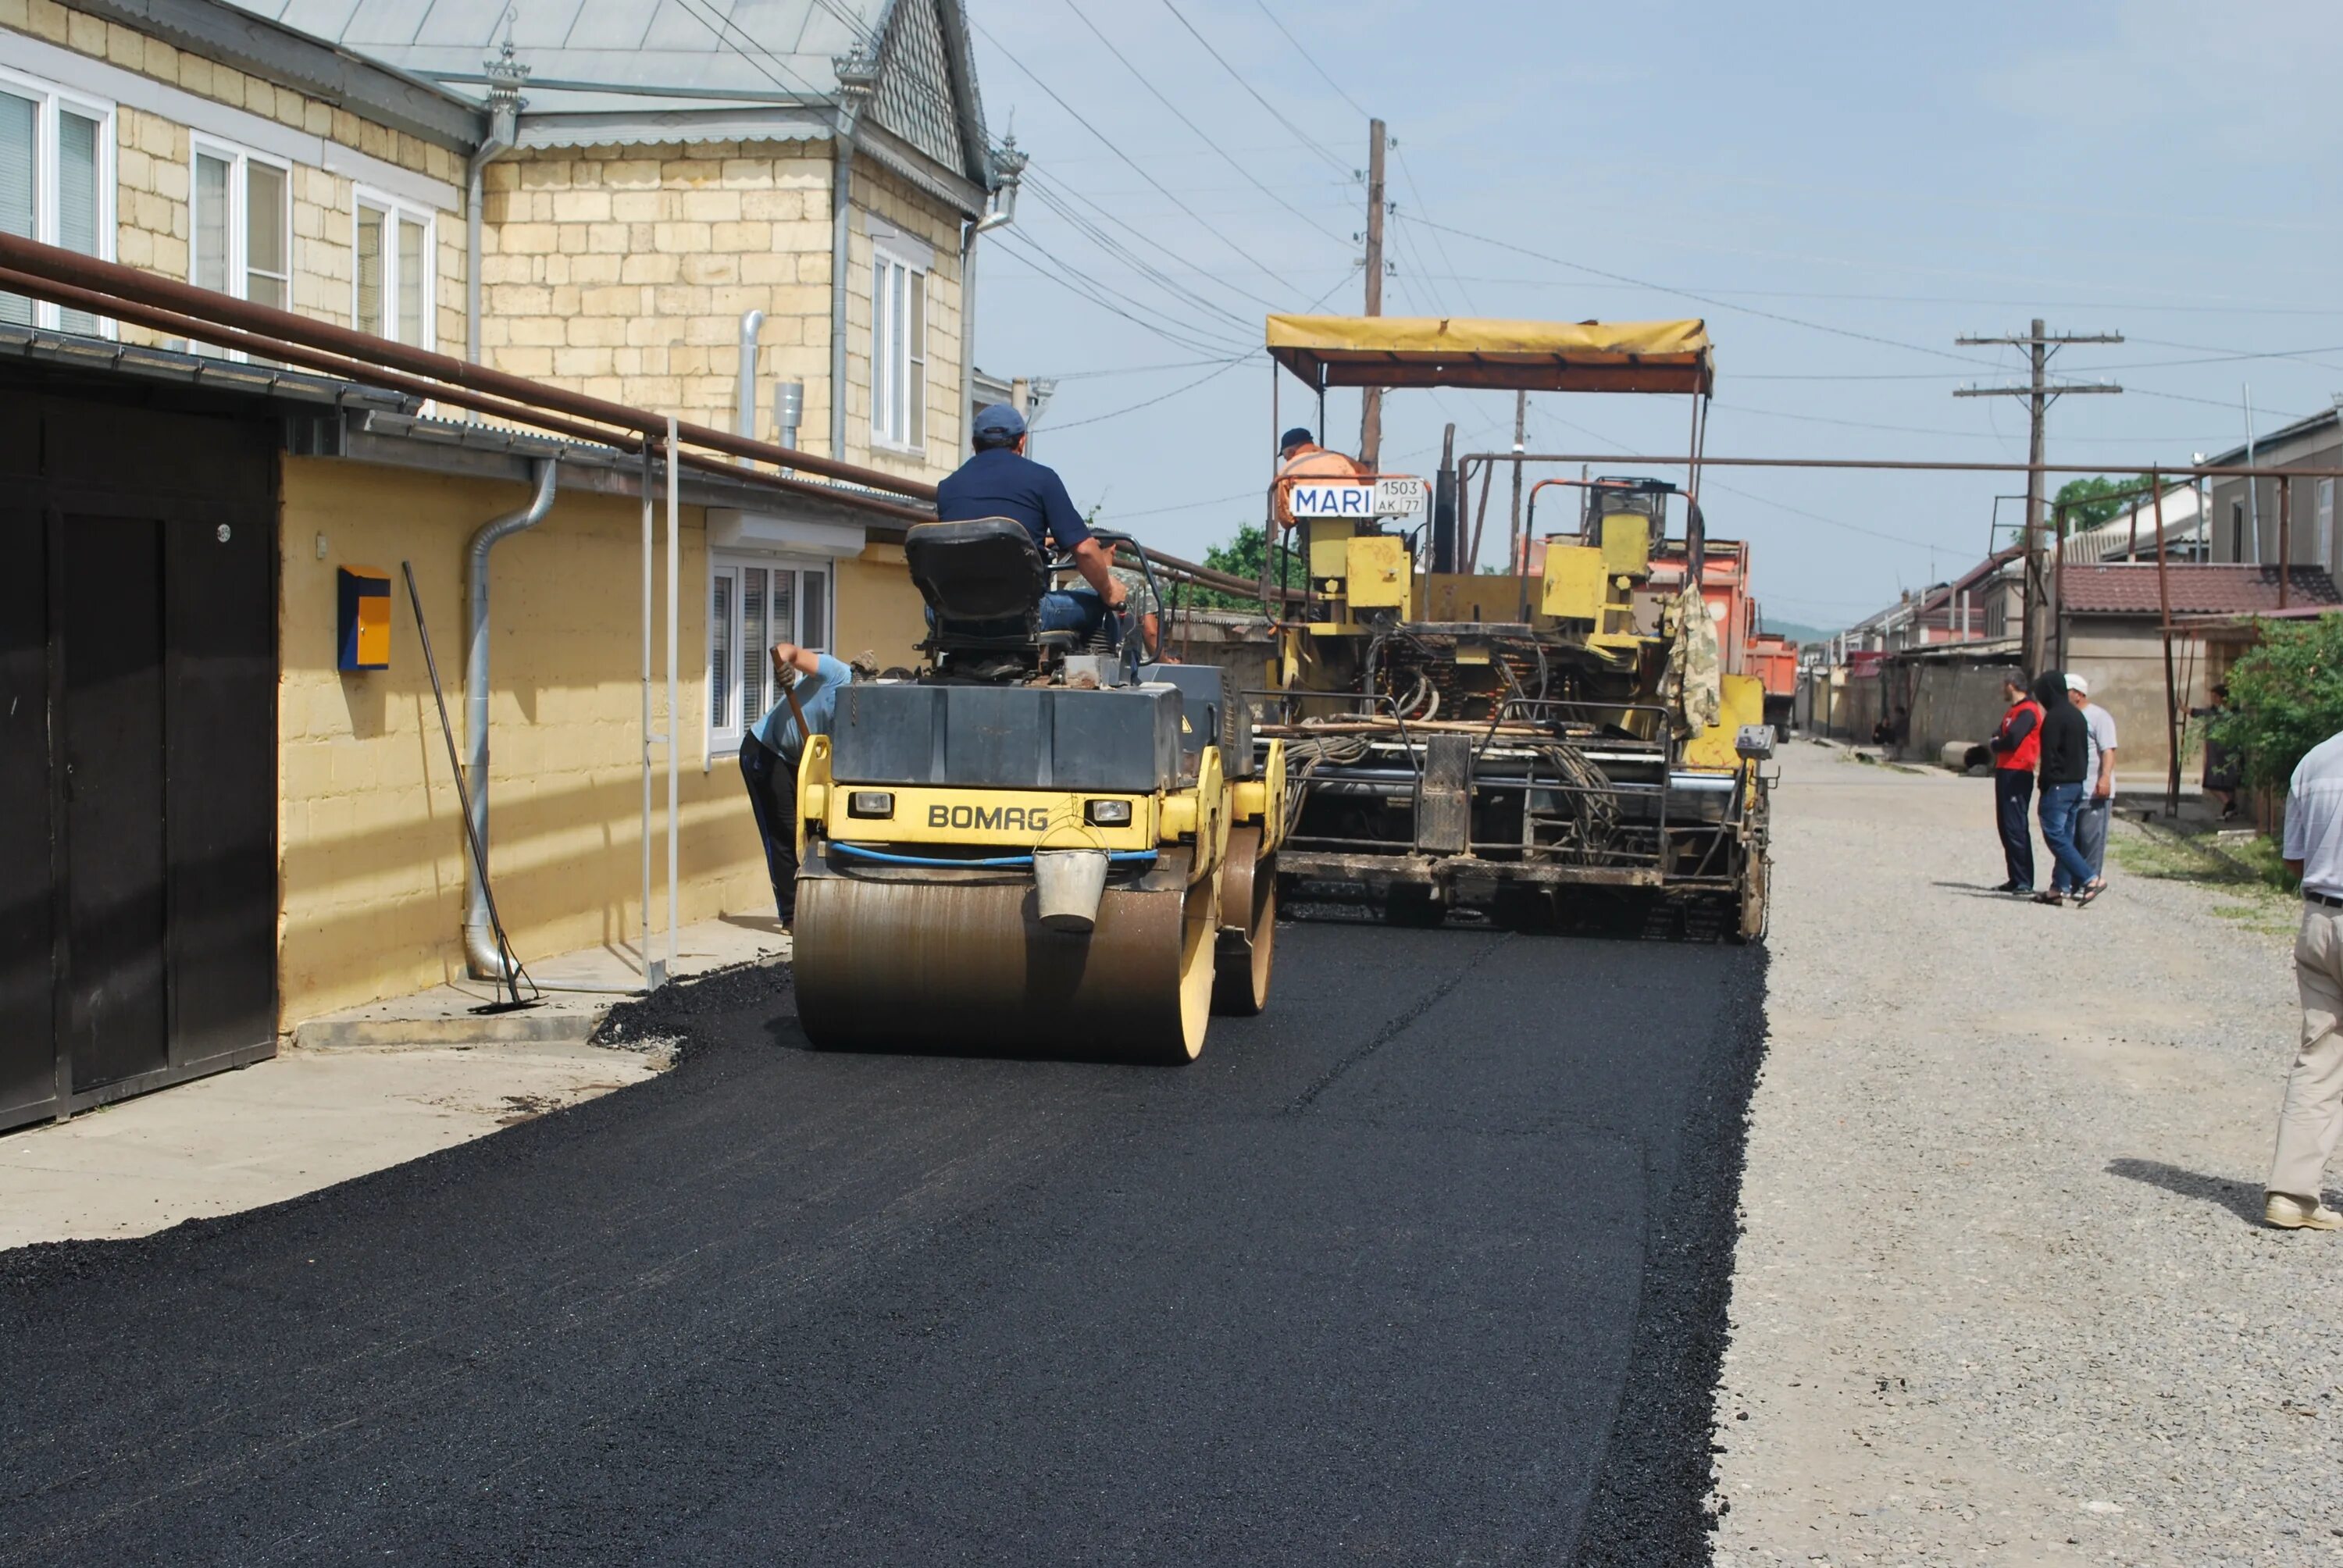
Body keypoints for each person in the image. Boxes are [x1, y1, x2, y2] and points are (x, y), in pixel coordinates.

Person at [936, 403, 1128, 640]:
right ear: (1022, 442)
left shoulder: (947, 488)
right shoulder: (1042, 479)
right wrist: (1109, 592)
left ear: (974, 444)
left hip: (951, 617)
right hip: (1021, 618)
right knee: (1099, 608)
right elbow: (1086, 550)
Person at [2266, 725, 2343, 1230]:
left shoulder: (2315, 761)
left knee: (2319, 1055)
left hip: (2319, 921)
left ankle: (2292, 1196)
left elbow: (2295, 860)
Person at [738, 640, 854, 928]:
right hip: (767, 750)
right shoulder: (837, 674)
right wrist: (787, 667)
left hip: (804, 761)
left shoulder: (871, 725)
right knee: (784, 830)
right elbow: (785, 650)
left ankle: (819, 906)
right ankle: (792, 916)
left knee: (818, 830)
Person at [2032, 668, 2106, 907]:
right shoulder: (2077, 716)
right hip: (2076, 785)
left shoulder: (2054, 718)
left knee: (2055, 836)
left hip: (2058, 787)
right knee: (2065, 837)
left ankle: (2090, 878)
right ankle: (2058, 888)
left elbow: (2050, 757)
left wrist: (2044, 783)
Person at [1987, 672, 2043, 893]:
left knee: (2015, 825)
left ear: (2011, 685)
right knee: (2005, 825)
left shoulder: (2028, 711)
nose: (2002, 690)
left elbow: (2011, 740)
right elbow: (1998, 733)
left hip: (2018, 770)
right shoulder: (2013, 711)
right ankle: (2014, 876)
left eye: (2004, 685)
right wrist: (1998, 741)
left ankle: (2024, 880)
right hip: (2004, 769)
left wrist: (1998, 743)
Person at [2068, 673, 2119, 878]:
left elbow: (2108, 750)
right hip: (2073, 789)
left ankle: (2091, 881)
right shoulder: (2068, 717)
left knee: (2092, 840)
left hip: (2095, 789)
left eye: (2067, 693)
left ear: (2078, 694)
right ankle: (2074, 881)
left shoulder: (2099, 717)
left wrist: (2104, 778)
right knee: (2073, 840)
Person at [1271, 426, 1364, 530]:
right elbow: (1368, 482)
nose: (1286, 460)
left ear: (1290, 452)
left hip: (1312, 531)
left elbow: (1286, 517)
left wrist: (1292, 521)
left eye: (1285, 457)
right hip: (1353, 524)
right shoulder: (1343, 460)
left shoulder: (1287, 470)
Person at [2196, 682, 2242, 820]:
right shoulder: (2213, 711)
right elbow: (2197, 713)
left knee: (2225, 782)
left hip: (2228, 752)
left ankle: (2229, 805)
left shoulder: (2231, 712)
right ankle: (2229, 806)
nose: (2213, 699)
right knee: (2217, 781)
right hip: (2217, 752)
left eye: (2216, 696)